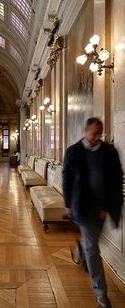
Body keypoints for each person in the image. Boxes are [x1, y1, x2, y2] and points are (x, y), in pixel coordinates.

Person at [63, 117, 123, 308]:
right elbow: (67, 178)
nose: (97, 137)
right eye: (94, 133)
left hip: (103, 207)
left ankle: (80, 248)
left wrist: (114, 203)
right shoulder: (73, 151)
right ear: (85, 131)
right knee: (93, 249)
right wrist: (67, 203)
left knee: (94, 241)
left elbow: (117, 177)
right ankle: (101, 293)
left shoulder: (109, 152)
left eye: (100, 133)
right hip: (82, 206)